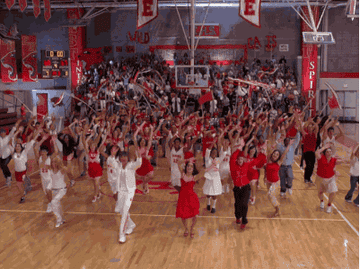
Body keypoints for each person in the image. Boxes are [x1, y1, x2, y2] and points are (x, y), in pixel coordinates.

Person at [116, 150, 142, 244]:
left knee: (124, 213)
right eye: (121, 156)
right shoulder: (118, 166)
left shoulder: (131, 166)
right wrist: (116, 191)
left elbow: (139, 162)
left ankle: (121, 235)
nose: (123, 158)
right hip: (121, 191)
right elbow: (117, 180)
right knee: (121, 211)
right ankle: (131, 225)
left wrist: (136, 148)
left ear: (127, 158)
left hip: (130, 192)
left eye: (124, 156)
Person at [176, 161, 204, 238]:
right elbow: (178, 163)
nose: (189, 167)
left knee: (195, 216)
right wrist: (184, 159)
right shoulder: (182, 174)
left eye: (191, 166)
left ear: (193, 169)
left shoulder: (194, 177)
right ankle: (186, 228)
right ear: (186, 167)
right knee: (183, 216)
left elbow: (204, 171)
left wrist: (212, 165)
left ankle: (192, 228)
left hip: (192, 198)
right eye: (188, 166)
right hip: (182, 198)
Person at [265, 140, 293, 218]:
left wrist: (289, 145)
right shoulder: (268, 160)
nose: (275, 155)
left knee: (270, 195)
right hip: (268, 181)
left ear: (278, 157)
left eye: (277, 154)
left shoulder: (279, 162)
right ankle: (277, 208)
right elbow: (270, 149)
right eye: (274, 153)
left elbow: (284, 153)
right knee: (271, 196)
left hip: (275, 182)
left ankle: (278, 209)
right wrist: (276, 142)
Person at [315, 143, 345, 213]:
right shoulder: (321, 157)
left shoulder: (334, 160)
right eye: (327, 152)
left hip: (331, 178)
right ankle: (322, 201)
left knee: (333, 192)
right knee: (320, 192)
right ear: (325, 153)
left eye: (330, 152)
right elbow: (316, 152)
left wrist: (336, 171)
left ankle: (329, 205)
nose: (329, 153)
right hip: (320, 178)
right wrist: (324, 147)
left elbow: (344, 161)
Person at [13, 128, 40, 203]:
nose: (17, 147)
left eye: (18, 146)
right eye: (16, 146)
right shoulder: (14, 154)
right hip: (16, 172)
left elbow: (32, 141)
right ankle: (24, 192)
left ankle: (22, 197)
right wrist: (17, 132)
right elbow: (12, 139)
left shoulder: (24, 151)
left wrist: (37, 134)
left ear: (21, 146)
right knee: (19, 186)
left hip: (23, 171)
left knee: (20, 184)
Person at [229, 140, 250, 229]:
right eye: (238, 159)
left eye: (241, 159)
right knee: (237, 204)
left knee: (244, 204)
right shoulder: (233, 166)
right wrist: (239, 148)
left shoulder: (246, 165)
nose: (240, 160)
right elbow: (233, 157)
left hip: (246, 188)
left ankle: (244, 220)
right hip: (237, 189)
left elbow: (257, 161)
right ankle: (238, 217)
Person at [203, 139, 225, 213]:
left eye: (215, 153)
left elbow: (223, 155)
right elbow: (207, 151)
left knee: (215, 193)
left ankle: (213, 206)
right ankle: (208, 203)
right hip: (209, 177)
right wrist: (212, 143)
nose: (214, 154)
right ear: (211, 152)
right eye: (213, 152)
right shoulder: (207, 159)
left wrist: (221, 145)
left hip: (216, 178)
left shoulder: (218, 160)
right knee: (208, 193)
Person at [34, 134, 53, 212]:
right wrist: (42, 139)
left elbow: (49, 167)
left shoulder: (50, 159)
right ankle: (51, 203)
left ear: (47, 152)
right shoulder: (40, 159)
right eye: (41, 152)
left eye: (44, 152)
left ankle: (51, 204)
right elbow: (35, 148)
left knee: (48, 191)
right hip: (43, 179)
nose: (42, 153)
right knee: (46, 194)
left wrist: (54, 142)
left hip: (50, 179)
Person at [1, 119, 21, 187]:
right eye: (1, 132)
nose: (2, 133)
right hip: (1, 156)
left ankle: (9, 176)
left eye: (3, 132)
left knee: (4, 165)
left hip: (8, 155)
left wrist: (19, 120)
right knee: (2, 166)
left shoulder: (8, 137)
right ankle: (7, 177)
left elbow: (13, 129)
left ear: (5, 133)